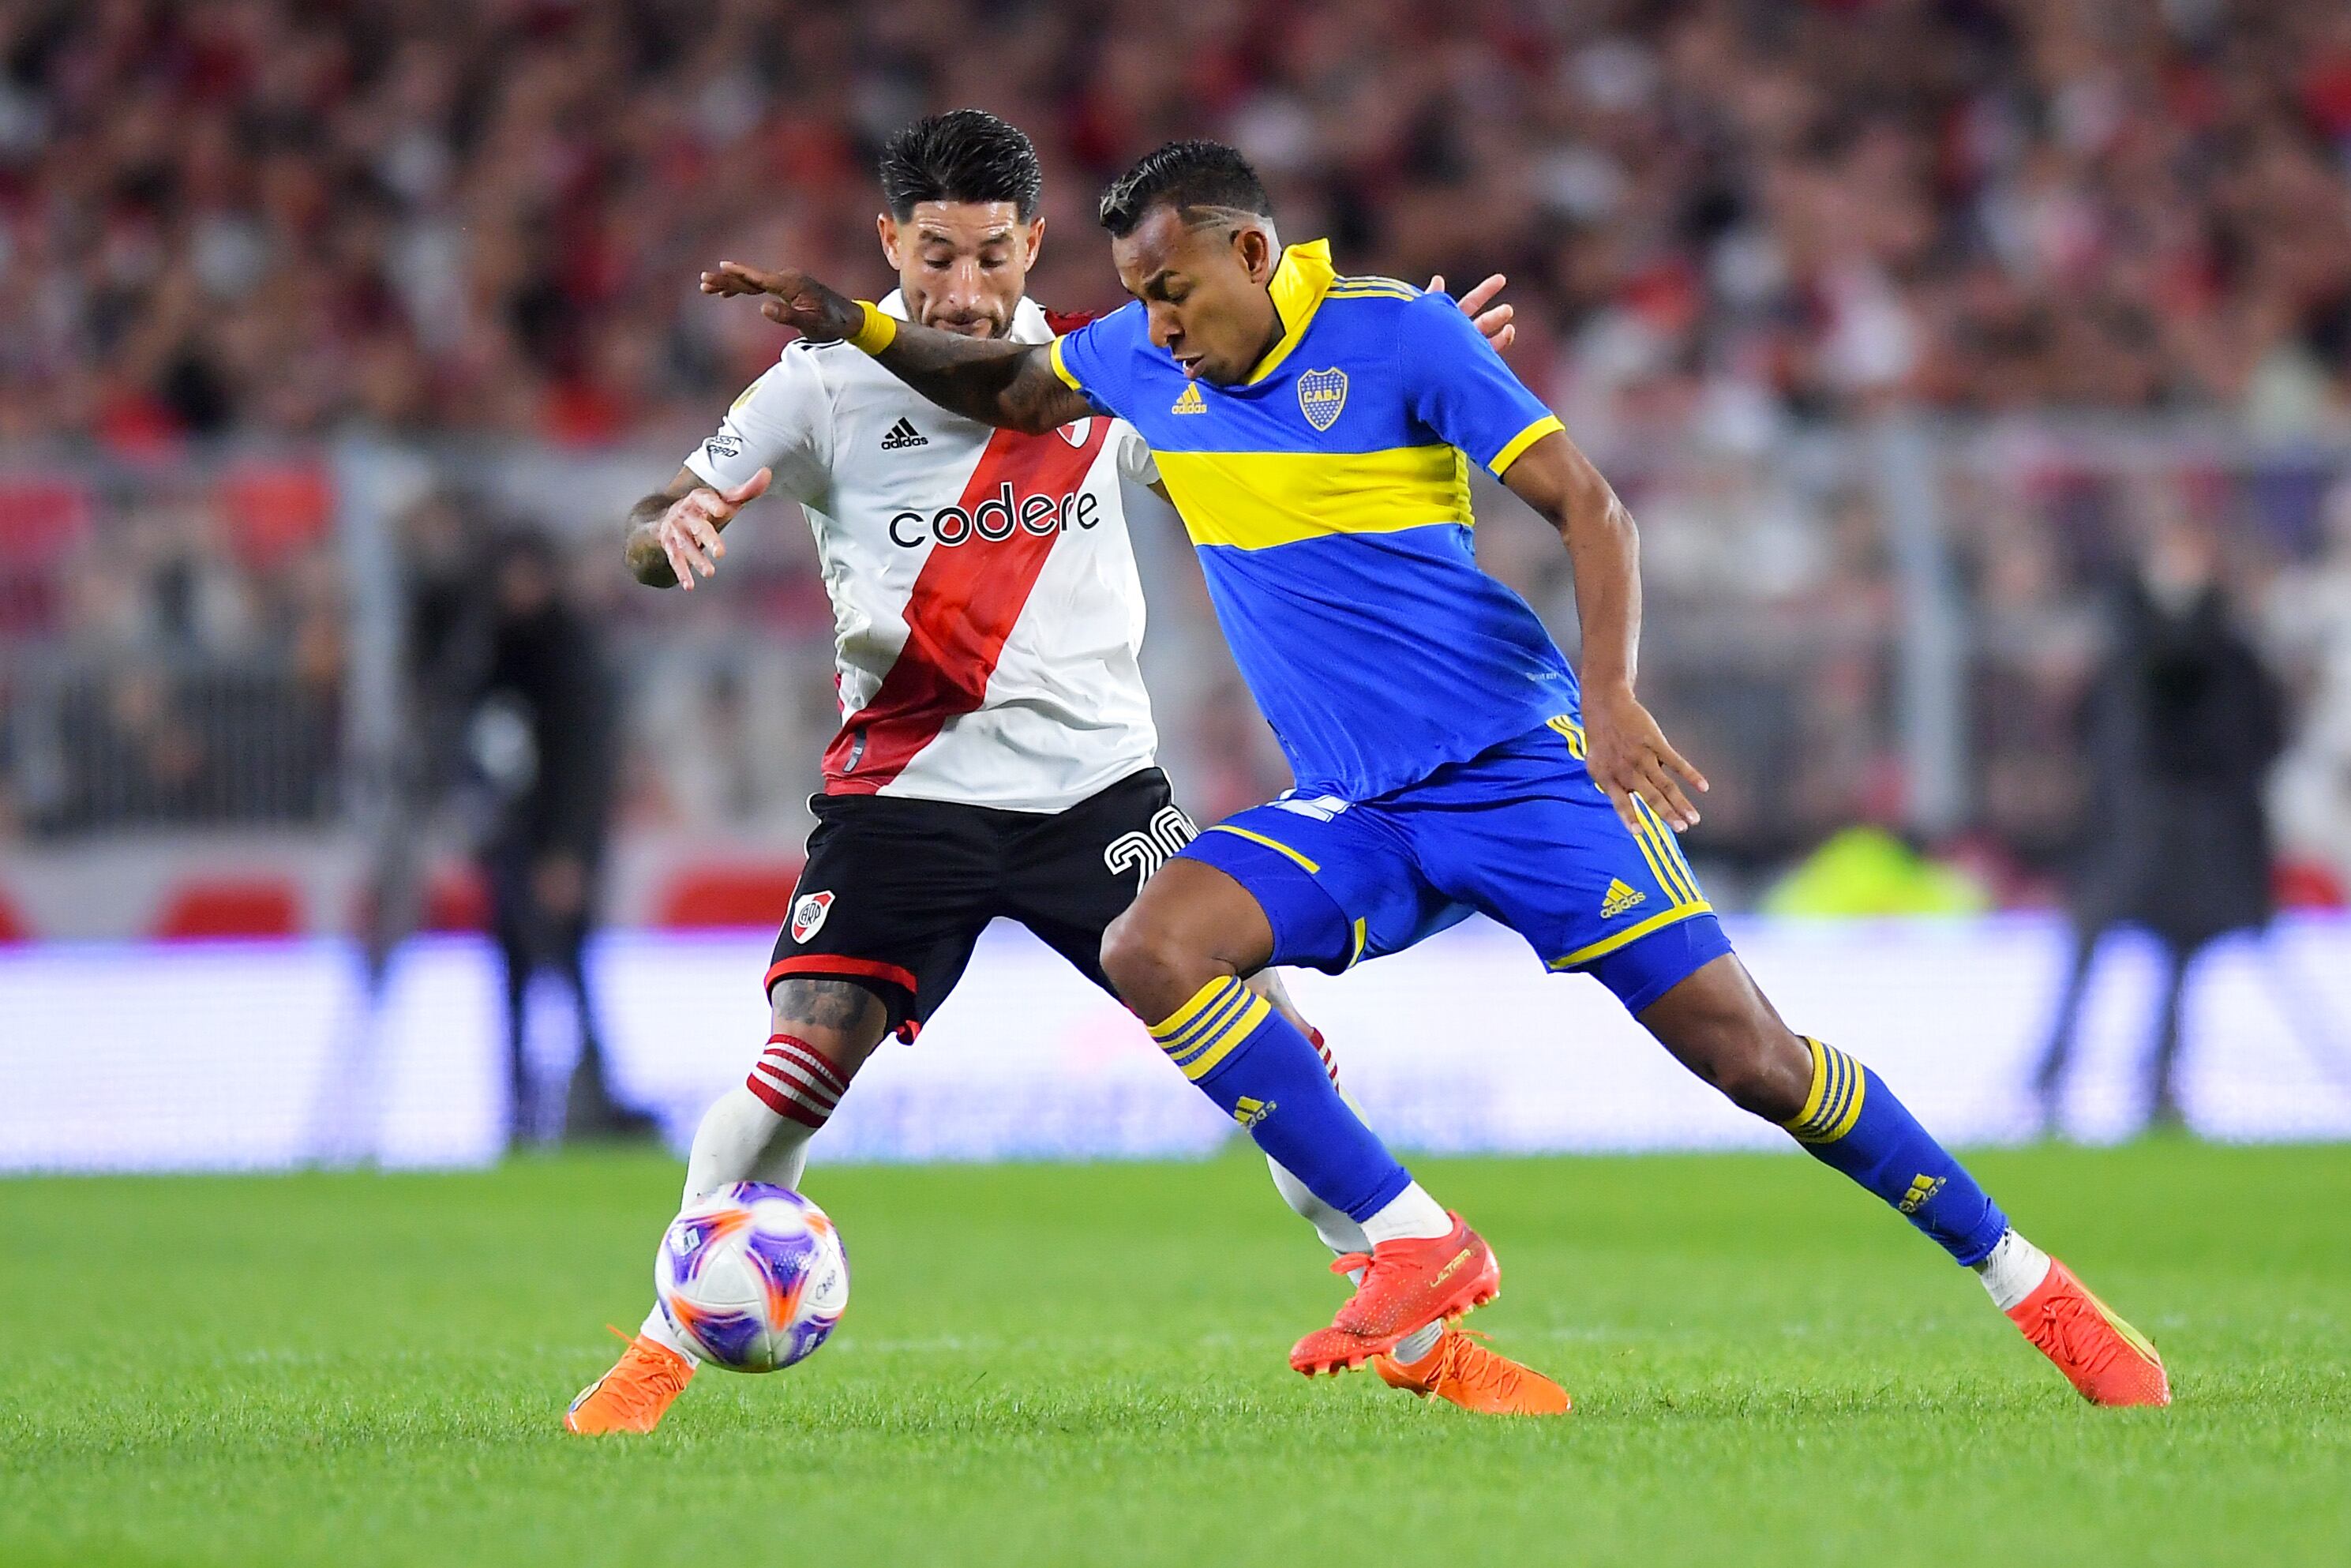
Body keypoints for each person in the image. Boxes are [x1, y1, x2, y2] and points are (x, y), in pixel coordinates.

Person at [709, 137, 2173, 1408]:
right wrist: (848, 321)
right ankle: (1410, 1237)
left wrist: (1606, 700)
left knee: (1755, 1063)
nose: (1150, 323)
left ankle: (2026, 1279)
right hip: (1358, 808)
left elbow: (1588, 506)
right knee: (1153, 941)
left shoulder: (1399, 341)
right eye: (1134, 297)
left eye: (1170, 289)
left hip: (1511, 777)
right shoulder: (1141, 361)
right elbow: (1012, 387)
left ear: (1250, 251)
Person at [564, 111, 1560, 1434]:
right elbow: (651, 516)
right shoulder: (818, 383)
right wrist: (670, 527)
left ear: (1032, 242)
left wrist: (1402, 373)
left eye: (988, 256)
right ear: (887, 244)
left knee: (1274, 1060)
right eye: (932, 259)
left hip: (1097, 794)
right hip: (903, 789)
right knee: (800, 1060)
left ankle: (1423, 1332)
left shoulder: (1116, 365)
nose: (962, 290)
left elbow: (1272, 430)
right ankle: (658, 1350)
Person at [2034, 515, 2285, 1131]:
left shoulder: (2224, 651)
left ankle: (2160, 1079)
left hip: (2195, 833)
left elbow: (2256, 733)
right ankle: (2054, 1074)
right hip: (2131, 829)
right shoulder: (2136, 642)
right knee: (2094, 948)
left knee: (2178, 956)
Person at [461, 527, 657, 1147]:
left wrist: (569, 853)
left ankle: (591, 1099)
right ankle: (522, 1108)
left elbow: (583, 766)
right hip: (509, 842)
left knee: (569, 971)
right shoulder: (492, 648)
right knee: (517, 975)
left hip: (554, 845)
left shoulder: (569, 657)